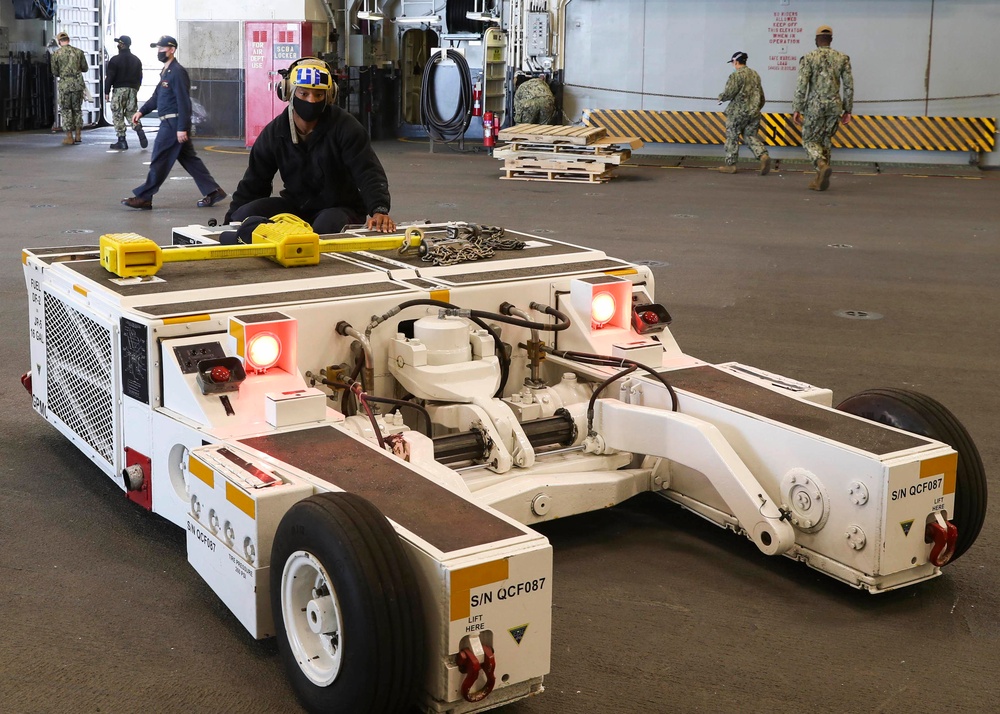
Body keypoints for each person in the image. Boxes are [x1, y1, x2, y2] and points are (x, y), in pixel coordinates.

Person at [224, 57, 395, 233]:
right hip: (296, 207)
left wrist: (379, 209)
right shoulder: (274, 133)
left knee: (325, 227)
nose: (311, 100)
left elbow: (368, 171)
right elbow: (254, 182)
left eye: (319, 94)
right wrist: (230, 223)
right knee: (243, 215)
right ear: (288, 92)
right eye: (304, 93)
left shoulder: (346, 127)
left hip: (340, 208)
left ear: (329, 95)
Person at [121, 35, 225, 210]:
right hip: (171, 124)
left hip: (172, 125)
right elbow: (157, 97)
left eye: (161, 48)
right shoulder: (166, 72)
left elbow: (184, 101)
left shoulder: (177, 72)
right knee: (190, 160)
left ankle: (144, 197)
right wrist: (141, 111)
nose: (159, 51)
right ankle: (213, 191)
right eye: (157, 48)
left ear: (172, 49)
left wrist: (182, 128)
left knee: (159, 160)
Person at [793, 25, 854, 191]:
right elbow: (848, 86)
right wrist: (848, 110)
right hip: (835, 105)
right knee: (826, 140)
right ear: (831, 40)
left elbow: (801, 85)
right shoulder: (842, 58)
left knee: (809, 140)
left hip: (814, 106)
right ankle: (819, 179)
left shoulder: (808, 58)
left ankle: (820, 164)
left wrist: (797, 108)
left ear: (816, 40)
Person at [717, 51, 770, 175]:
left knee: (732, 136)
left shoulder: (736, 75)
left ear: (735, 62)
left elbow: (730, 92)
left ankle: (731, 165)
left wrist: (721, 97)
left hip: (737, 112)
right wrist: (756, 108)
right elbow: (761, 95)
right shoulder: (754, 74)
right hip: (754, 112)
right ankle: (763, 156)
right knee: (750, 136)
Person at [104, 35, 147, 151]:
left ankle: (121, 141)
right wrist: (135, 89)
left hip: (119, 90)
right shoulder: (136, 60)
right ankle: (138, 128)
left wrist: (106, 91)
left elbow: (110, 77)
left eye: (119, 43)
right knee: (131, 112)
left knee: (118, 114)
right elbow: (140, 77)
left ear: (122, 45)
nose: (118, 45)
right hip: (133, 89)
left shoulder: (115, 60)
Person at [50, 31, 88, 146]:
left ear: (59, 41)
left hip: (65, 86)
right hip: (77, 85)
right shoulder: (79, 52)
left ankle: (69, 137)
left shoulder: (56, 54)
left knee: (66, 110)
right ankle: (78, 135)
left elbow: (55, 72)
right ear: (68, 40)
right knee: (77, 110)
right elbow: (85, 68)